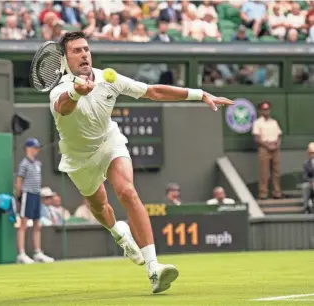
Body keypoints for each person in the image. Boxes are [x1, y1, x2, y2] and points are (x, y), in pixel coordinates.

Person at [49, 31, 233, 294]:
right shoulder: (58, 90)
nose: (84, 54)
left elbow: (154, 92)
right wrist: (77, 93)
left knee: (126, 191)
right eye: (76, 51)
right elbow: (63, 107)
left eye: (86, 49)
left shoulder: (108, 79)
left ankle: (154, 267)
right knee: (101, 208)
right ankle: (119, 234)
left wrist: (199, 93)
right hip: (78, 159)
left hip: (108, 143)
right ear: (64, 60)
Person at [15, 138, 54, 264]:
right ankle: (21, 253)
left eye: (37, 147)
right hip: (27, 194)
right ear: (28, 148)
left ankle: (37, 252)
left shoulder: (38, 163)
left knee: (37, 223)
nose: (37, 150)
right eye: (34, 147)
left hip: (37, 194)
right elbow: (19, 181)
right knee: (24, 224)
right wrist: (19, 196)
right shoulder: (24, 164)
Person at [252, 101, 282, 199]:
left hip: (275, 147)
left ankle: (276, 192)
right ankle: (263, 193)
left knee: (276, 171)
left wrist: (277, 144)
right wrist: (267, 146)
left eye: (268, 109)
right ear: (260, 111)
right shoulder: (257, 123)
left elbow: (279, 135)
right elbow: (257, 138)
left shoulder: (274, 122)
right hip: (264, 148)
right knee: (264, 172)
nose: (266, 112)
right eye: (264, 110)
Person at [302, 142, 314, 214]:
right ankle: (306, 208)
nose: (313, 155)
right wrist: (312, 182)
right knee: (305, 186)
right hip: (311, 183)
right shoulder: (306, 163)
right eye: (311, 153)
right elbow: (305, 177)